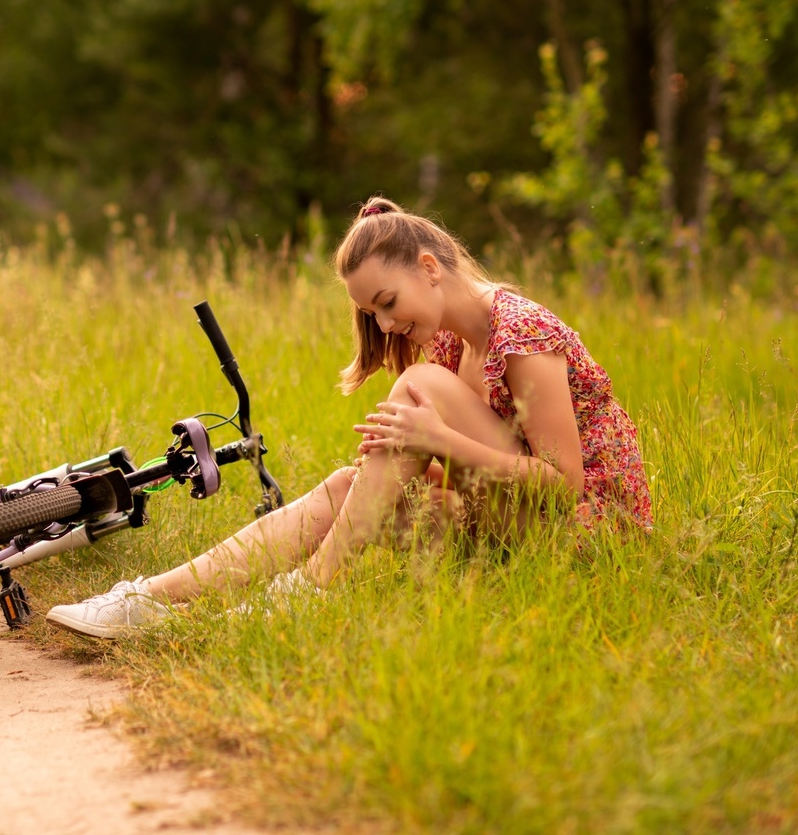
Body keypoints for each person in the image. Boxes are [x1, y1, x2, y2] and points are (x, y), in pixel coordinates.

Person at [46, 196, 653, 639]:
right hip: (507, 530)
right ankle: (145, 601)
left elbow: (562, 487)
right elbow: (470, 474)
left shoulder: (523, 334)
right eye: (372, 312)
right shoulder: (447, 342)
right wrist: (404, 467)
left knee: (419, 387)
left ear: (430, 266)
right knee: (345, 486)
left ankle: (310, 588)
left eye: (387, 303)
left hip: (587, 543)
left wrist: (439, 439)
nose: (385, 326)